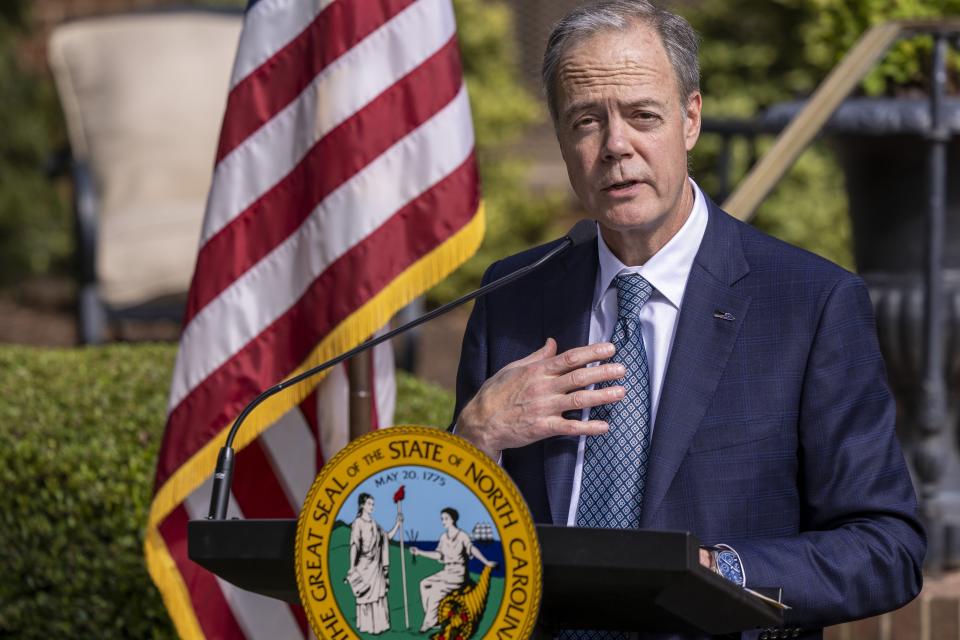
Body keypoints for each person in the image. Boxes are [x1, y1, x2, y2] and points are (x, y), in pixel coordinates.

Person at [452, 1, 925, 638]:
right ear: (563, 140)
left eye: (643, 115)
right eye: (586, 121)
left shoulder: (810, 304)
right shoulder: (512, 296)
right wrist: (471, 440)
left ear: (691, 119)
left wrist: (721, 572)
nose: (616, 146)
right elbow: (457, 547)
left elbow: (886, 548)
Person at [409, 507, 497, 633]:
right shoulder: (444, 537)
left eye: (446, 518)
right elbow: (439, 555)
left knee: (435, 593)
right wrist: (420, 552)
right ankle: (434, 619)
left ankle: (428, 623)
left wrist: (486, 562)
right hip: (447, 571)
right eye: (442, 519)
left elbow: (472, 549)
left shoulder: (462, 536)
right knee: (424, 584)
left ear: (453, 519)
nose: (443, 521)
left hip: (458, 574)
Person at [347, 493, 402, 635]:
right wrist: (352, 567)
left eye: (373, 504)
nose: (372, 506)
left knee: (378, 595)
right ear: (362, 505)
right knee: (365, 596)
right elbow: (354, 545)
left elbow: (386, 538)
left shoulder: (375, 524)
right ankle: (367, 627)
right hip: (364, 566)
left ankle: (379, 626)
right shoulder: (357, 523)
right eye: (369, 504)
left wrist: (397, 524)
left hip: (376, 567)